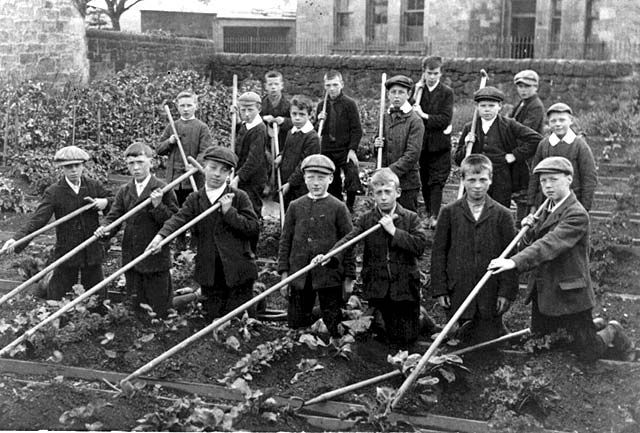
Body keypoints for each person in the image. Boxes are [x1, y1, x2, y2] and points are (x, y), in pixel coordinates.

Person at [489, 157, 636, 362]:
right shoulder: (545, 209)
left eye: (553, 179)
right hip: (544, 290)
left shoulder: (576, 214)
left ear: (569, 179)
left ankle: (612, 330)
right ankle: (596, 324)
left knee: (587, 352)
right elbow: (534, 243)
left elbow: (551, 243)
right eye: (543, 181)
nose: (548, 186)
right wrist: (528, 232)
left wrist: (514, 262)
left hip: (570, 292)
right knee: (544, 346)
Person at [313, 168, 429, 348]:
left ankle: (423, 324)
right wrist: (330, 255)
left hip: (405, 289)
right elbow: (350, 239)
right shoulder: (368, 220)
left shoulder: (410, 218)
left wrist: (394, 231)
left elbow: (420, 247)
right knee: (381, 335)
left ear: (397, 193)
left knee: (407, 338)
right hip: (378, 289)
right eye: (379, 193)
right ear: (372, 195)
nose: (383, 197)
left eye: (387, 192)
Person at [146, 146, 259, 321]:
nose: (217, 174)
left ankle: (257, 299)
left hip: (238, 270)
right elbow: (178, 219)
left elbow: (253, 228)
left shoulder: (238, 197)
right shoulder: (195, 199)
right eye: (213, 168)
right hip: (210, 271)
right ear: (204, 167)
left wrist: (229, 212)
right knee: (211, 317)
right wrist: (160, 237)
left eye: (223, 170)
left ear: (229, 174)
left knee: (240, 319)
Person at [2, 146, 111, 300]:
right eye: (69, 166)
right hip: (67, 250)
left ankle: (96, 320)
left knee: (97, 296)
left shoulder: (93, 186)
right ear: (62, 168)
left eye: (77, 165)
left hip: (91, 249)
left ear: (83, 166)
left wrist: (105, 202)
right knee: (58, 297)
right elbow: (38, 220)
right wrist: (17, 239)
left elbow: (116, 206)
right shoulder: (54, 192)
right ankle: (59, 320)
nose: (74, 170)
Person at [431, 154, 518, 345]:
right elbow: (438, 253)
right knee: (458, 341)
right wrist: (440, 289)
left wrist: (505, 292)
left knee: (488, 344)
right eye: (471, 180)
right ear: (462, 180)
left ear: (491, 180)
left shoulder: (503, 215)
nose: (477, 185)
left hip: (489, 293)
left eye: (482, 180)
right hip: (458, 290)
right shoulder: (449, 212)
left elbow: (511, 255)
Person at [95, 142, 179, 318]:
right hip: (131, 254)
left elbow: (174, 222)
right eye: (131, 164)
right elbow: (115, 216)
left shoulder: (163, 188)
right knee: (135, 304)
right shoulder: (125, 190)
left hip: (155, 255)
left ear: (151, 162)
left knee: (159, 306)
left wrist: (158, 206)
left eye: (140, 162)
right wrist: (106, 229)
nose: (136, 168)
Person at [278, 154, 355, 338]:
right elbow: (285, 241)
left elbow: (350, 243)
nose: (316, 183)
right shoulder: (295, 206)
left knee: (333, 324)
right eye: (311, 177)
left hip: (329, 277)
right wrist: (284, 275)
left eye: (321, 178)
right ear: (304, 178)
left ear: (331, 179)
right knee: (296, 324)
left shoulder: (338, 207)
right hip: (300, 274)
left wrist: (349, 278)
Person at [455, 86, 541, 208]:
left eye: (491, 106)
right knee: (473, 211)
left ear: (499, 106)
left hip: (501, 179)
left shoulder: (509, 124)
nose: (487, 110)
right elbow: (458, 159)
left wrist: (516, 155)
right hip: (475, 178)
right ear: (477, 108)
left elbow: (536, 139)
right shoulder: (470, 128)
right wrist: (466, 145)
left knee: (499, 213)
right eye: (483, 106)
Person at [157, 90, 212, 250]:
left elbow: (206, 151)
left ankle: (196, 244)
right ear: (177, 107)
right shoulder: (172, 126)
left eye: (189, 105)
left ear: (196, 106)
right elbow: (159, 149)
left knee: (195, 210)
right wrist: (170, 141)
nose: (186, 109)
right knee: (177, 212)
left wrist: (195, 164)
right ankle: (179, 243)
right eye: (182, 106)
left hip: (194, 179)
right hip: (175, 180)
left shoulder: (202, 127)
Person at [527, 103, 597, 212]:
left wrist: (585, 207)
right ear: (548, 123)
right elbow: (534, 175)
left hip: (572, 202)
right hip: (546, 201)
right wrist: (531, 203)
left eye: (562, 120)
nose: (558, 124)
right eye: (553, 121)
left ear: (571, 121)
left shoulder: (579, 145)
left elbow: (589, 177)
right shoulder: (544, 144)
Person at [413, 56, 454, 228]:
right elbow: (408, 111)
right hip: (422, 144)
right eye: (429, 73)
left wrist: (424, 116)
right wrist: (415, 92)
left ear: (440, 73)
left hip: (439, 145)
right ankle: (429, 213)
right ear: (423, 73)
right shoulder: (418, 91)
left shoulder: (446, 93)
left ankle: (435, 216)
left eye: (435, 73)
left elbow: (445, 119)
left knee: (436, 182)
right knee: (424, 180)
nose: (432, 77)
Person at [373, 75, 424, 212]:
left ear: (408, 94)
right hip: (385, 184)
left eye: (401, 92)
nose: (396, 96)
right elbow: (379, 148)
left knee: (405, 221)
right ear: (388, 95)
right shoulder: (384, 117)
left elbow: (412, 154)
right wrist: (376, 145)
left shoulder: (415, 121)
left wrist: (390, 171)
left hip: (407, 183)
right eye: (393, 92)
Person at [316, 70, 363, 212]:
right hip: (327, 150)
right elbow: (317, 132)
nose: (332, 89)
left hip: (345, 149)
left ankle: (350, 206)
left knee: (352, 174)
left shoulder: (349, 104)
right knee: (332, 179)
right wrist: (319, 121)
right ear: (324, 86)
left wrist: (352, 150)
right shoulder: (321, 106)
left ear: (341, 85)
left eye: (335, 85)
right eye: (328, 85)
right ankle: (337, 208)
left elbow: (357, 129)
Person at [511, 69, 546, 227]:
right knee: (519, 194)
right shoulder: (522, 104)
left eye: (527, 86)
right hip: (521, 155)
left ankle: (522, 228)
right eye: (520, 86)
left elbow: (525, 132)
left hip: (528, 156)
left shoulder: (535, 106)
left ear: (535, 87)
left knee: (525, 194)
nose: (523, 90)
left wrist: (516, 153)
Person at [275, 94, 320, 210]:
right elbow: (288, 149)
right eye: (294, 114)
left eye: (302, 114)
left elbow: (305, 165)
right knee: (286, 211)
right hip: (286, 179)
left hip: (301, 185)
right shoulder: (292, 132)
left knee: (300, 212)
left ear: (310, 116)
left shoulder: (312, 138)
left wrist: (290, 183)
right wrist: (281, 155)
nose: (297, 118)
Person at [231, 91, 269, 221]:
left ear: (259, 109)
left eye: (250, 110)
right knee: (240, 207)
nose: (246, 114)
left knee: (251, 209)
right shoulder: (245, 125)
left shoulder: (259, 129)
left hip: (253, 179)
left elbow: (254, 159)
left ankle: (255, 234)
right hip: (243, 175)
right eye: (243, 110)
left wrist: (238, 178)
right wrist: (235, 118)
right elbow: (241, 136)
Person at [261, 70, 293, 151]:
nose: (273, 87)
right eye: (270, 84)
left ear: (281, 85)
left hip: (284, 144)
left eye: (276, 84)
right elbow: (252, 120)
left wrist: (284, 121)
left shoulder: (289, 105)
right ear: (265, 86)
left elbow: (296, 122)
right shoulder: (260, 104)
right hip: (263, 145)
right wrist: (264, 118)